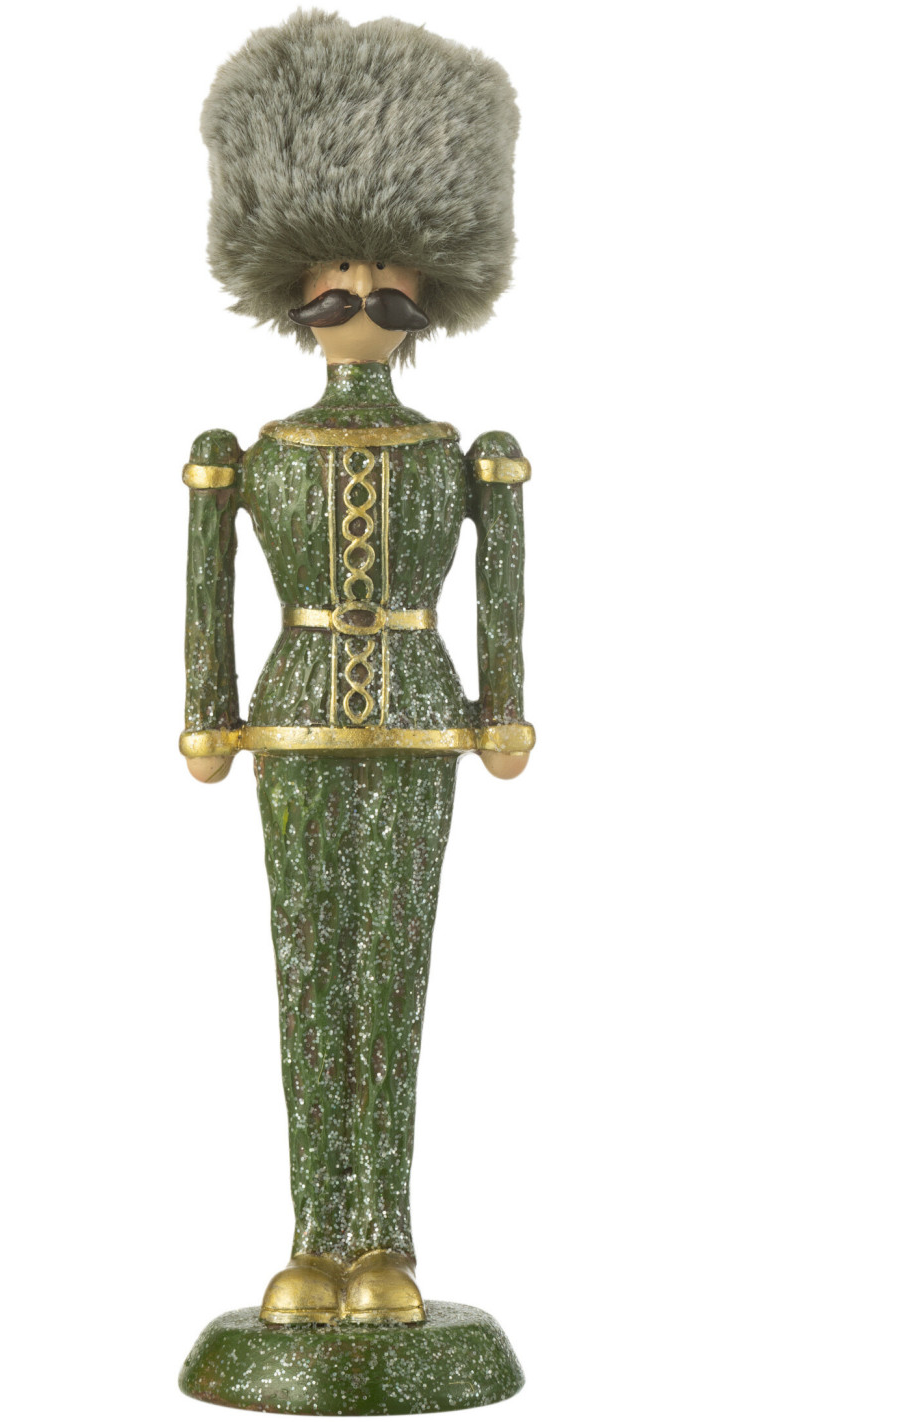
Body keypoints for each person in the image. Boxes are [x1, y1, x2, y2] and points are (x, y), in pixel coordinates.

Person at [181, 11, 531, 1325]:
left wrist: (505, 707)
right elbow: (206, 582)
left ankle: (381, 1240)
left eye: (385, 287)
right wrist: (206, 713)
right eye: (336, 285)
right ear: (292, 287)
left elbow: (503, 586)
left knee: (394, 969)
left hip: (424, 719)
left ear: (428, 288)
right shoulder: (256, 450)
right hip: (293, 720)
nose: (360, 307)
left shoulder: (458, 451)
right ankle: (313, 1238)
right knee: (307, 966)